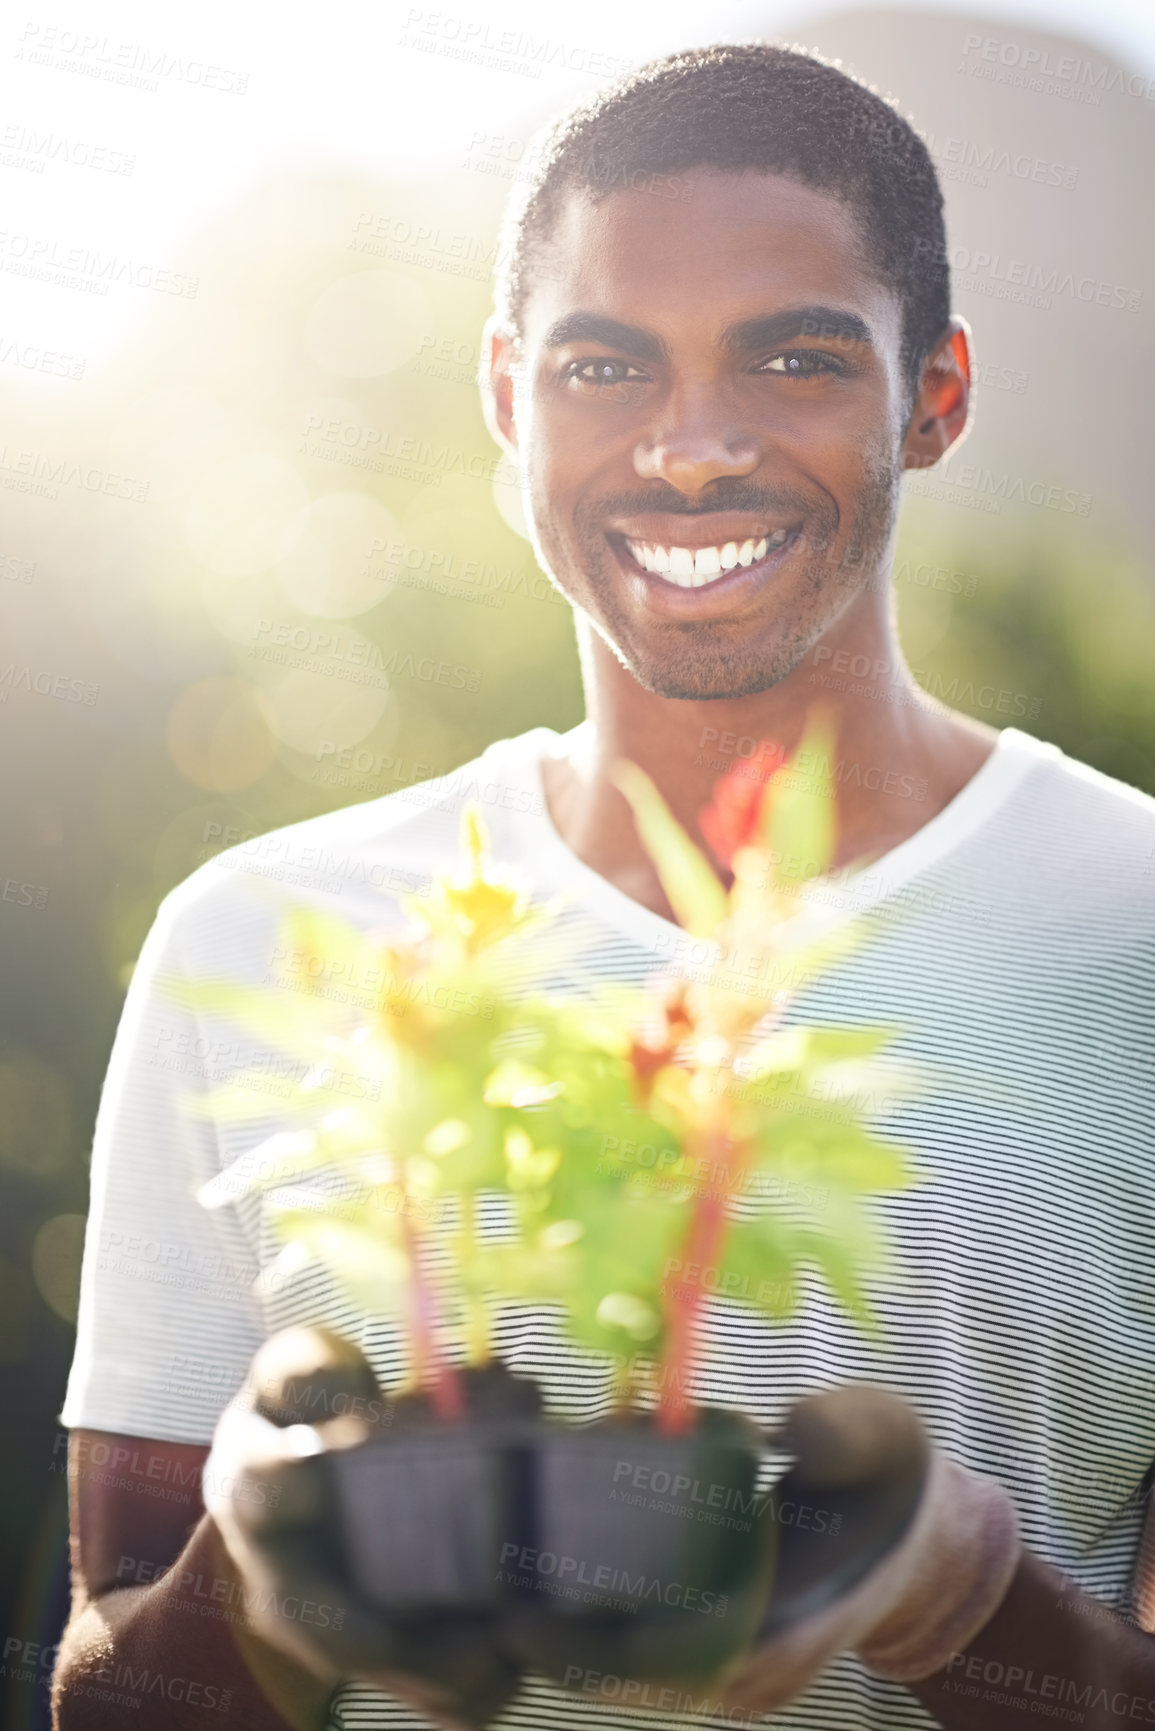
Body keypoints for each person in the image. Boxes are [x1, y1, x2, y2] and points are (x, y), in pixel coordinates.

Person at [51, 41, 1155, 1731]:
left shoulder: (1133, 930)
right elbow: (113, 1692)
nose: (694, 449)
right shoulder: (257, 937)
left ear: (932, 395)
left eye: (793, 360)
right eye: (606, 367)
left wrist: (961, 1604)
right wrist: (261, 1591)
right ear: (508, 400)